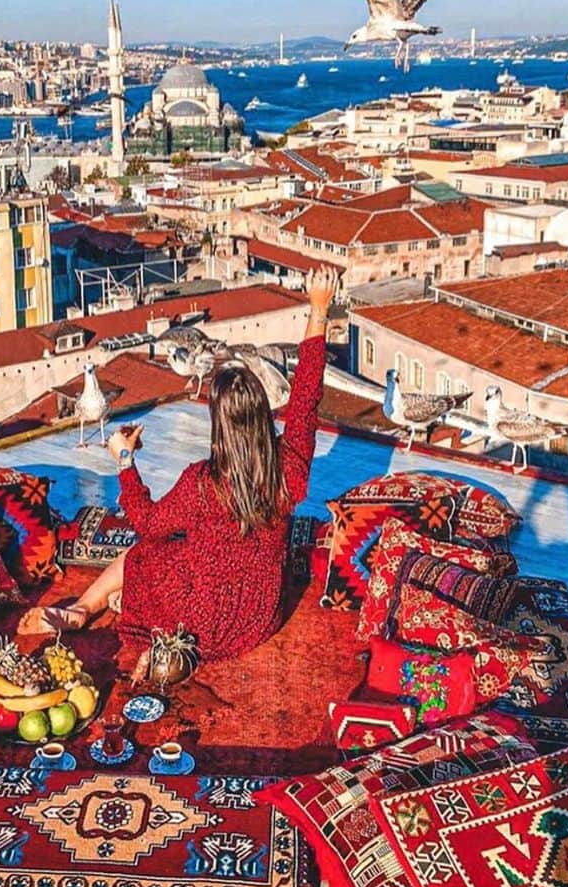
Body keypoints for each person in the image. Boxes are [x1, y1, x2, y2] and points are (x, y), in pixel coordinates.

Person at [18, 267, 338, 660]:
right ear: (261, 413)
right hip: (257, 619)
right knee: (178, 548)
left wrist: (125, 462)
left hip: (199, 623)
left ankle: (83, 609)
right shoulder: (290, 468)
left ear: (218, 424)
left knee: (143, 555)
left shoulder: (202, 484)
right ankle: (111, 601)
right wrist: (318, 308)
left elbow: (148, 524)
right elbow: (306, 393)